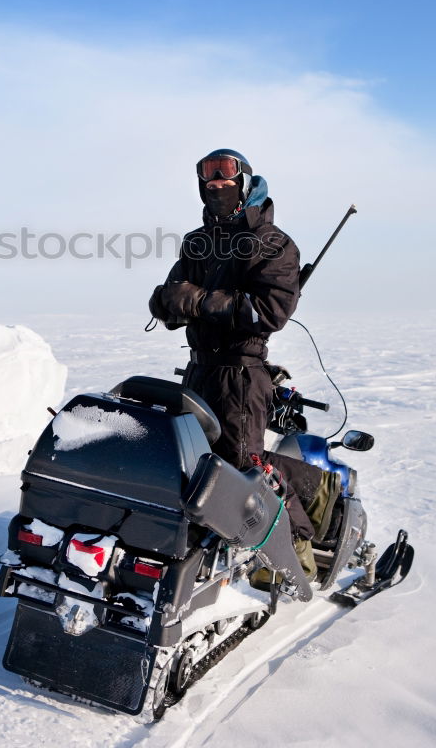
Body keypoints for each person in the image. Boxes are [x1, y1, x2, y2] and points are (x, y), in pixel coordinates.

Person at [149, 148, 328, 575]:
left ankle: (295, 554)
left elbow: (269, 312)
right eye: (208, 182)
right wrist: (167, 302)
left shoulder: (276, 244)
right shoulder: (198, 241)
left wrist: (195, 300)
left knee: (243, 470)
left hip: (241, 375)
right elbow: (169, 303)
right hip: (197, 369)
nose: (216, 186)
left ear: (245, 183)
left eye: (225, 179)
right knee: (184, 462)